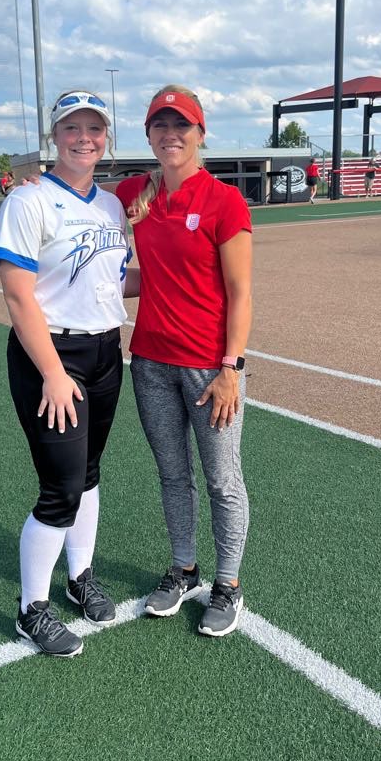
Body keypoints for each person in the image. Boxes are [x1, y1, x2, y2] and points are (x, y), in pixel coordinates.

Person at [0, 90, 136, 658]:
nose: (84, 138)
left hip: (105, 352)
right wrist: (52, 373)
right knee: (59, 490)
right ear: (54, 136)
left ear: (107, 137)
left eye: (94, 129)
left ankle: (80, 578)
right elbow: (17, 294)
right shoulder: (27, 202)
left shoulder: (110, 206)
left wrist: (189, 278)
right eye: (72, 128)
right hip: (50, 358)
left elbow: (113, 281)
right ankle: (32, 610)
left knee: (91, 472)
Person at [115, 85, 253, 638]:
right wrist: (38, 183)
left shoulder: (224, 201)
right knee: (172, 475)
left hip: (208, 369)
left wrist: (231, 368)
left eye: (182, 126)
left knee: (222, 480)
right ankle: (183, 568)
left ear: (200, 134)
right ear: (148, 134)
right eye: (160, 125)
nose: (171, 135)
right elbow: (77, 192)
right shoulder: (135, 193)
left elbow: (240, 292)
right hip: (149, 362)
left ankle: (228, 583)